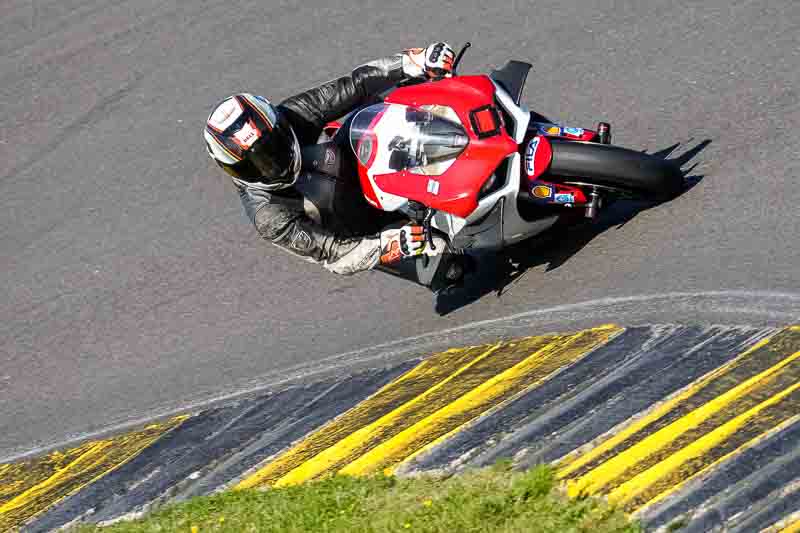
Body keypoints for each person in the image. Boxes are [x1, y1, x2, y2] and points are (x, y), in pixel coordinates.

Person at [204, 42, 456, 275]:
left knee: (390, 103)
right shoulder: (269, 216)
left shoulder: (293, 114)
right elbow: (333, 256)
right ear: (234, 170)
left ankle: (456, 154)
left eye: (275, 147)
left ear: (279, 124)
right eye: (257, 164)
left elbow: (355, 85)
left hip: (353, 160)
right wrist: (387, 245)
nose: (274, 165)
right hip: (365, 232)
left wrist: (414, 62)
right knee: (449, 266)